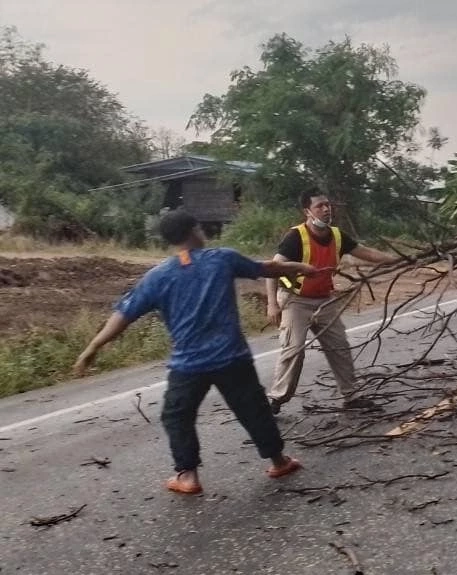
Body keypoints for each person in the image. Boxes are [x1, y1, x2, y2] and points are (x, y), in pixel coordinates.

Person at [73, 210, 321, 495]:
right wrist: (301, 267)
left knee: (177, 416)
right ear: (194, 231)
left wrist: (93, 347)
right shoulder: (222, 259)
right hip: (232, 358)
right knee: (253, 409)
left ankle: (188, 475)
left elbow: (124, 315)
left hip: (188, 364)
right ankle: (279, 461)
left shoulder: (157, 277)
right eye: (200, 228)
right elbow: (266, 268)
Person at [265, 189, 399, 414]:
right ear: (307, 211)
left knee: (339, 347)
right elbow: (273, 268)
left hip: (325, 300)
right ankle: (276, 400)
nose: (326, 209)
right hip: (296, 301)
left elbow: (366, 252)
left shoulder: (337, 236)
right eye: (320, 206)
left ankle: (351, 397)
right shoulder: (295, 237)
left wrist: (398, 260)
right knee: (294, 349)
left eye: (328, 205)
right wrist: (272, 303)